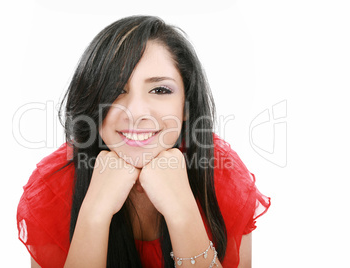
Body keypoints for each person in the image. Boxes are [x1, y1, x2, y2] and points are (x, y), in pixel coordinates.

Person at [17, 15, 270, 268]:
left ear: (186, 106)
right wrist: (94, 214)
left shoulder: (221, 176)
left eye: (160, 90)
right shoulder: (53, 189)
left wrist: (182, 212)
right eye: (115, 90)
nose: (136, 112)